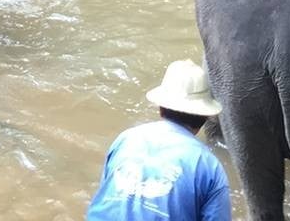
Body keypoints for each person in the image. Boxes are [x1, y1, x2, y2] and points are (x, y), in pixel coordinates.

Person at [86, 60, 232, 221]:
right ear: (205, 116)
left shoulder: (125, 139)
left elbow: (107, 196)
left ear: (161, 108)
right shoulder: (208, 166)